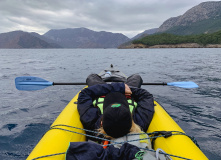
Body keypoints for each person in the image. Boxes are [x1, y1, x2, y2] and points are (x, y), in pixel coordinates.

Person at [66, 74, 169, 159]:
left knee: (92, 77)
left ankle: (104, 82)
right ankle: (127, 82)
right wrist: (126, 89)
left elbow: (85, 93)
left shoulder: (92, 122)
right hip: (129, 93)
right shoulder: (139, 122)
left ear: (101, 123)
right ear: (131, 121)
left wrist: (116, 88)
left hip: (101, 93)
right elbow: (146, 96)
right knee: (136, 77)